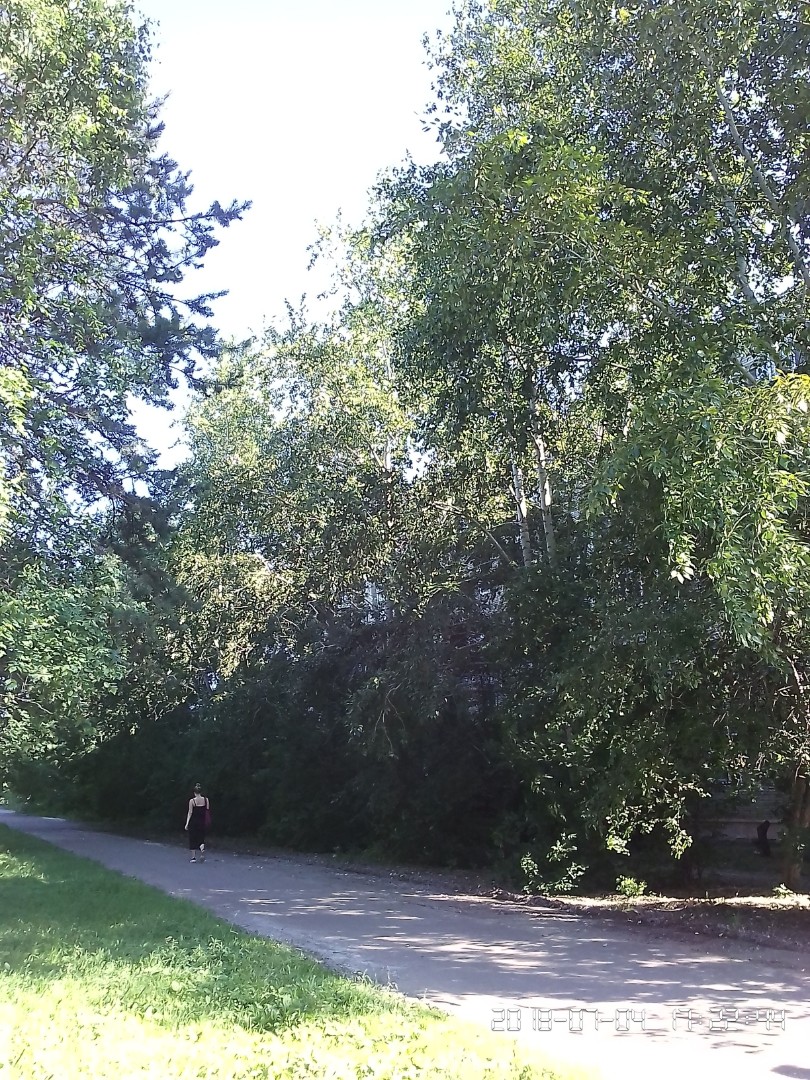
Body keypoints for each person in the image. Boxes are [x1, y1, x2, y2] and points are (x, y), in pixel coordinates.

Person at [185, 783, 210, 863]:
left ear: (194, 792)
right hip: (202, 822)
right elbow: (207, 810)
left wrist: (187, 823)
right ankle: (202, 850)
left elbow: (190, 812)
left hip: (194, 822)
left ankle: (193, 857)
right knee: (201, 838)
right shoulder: (206, 800)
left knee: (192, 838)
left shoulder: (192, 801)